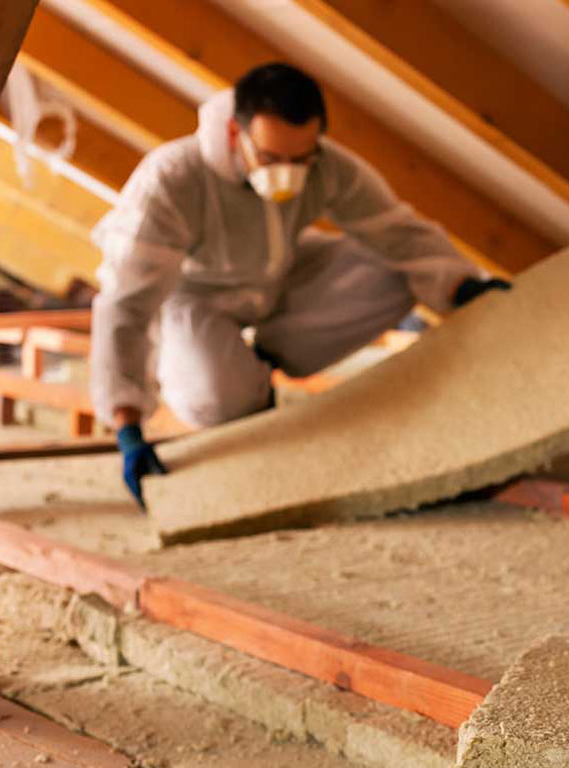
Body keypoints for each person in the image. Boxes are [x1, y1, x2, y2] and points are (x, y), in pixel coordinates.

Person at [90, 63, 509, 508]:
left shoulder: (327, 166)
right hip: (195, 296)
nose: (287, 172)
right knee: (217, 398)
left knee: (396, 267)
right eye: (271, 159)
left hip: (280, 275)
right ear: (235, 132)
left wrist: (463, 286)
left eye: (300, 159)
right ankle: (241, 386)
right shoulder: (173, 179)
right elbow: (126, 303)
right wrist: (128, 425)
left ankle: (263, 361)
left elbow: (398, 232)